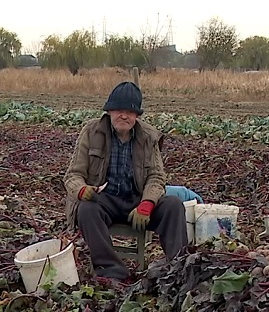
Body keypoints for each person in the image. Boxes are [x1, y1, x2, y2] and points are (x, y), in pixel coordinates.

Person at [64, 81, 188, 280]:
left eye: (130, 112)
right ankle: (113, 271)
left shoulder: (148, 137)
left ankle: (178, 266)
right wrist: (81, 190)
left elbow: (156, 177)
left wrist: (147, 204)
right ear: (109, 111)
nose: (124, 116)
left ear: (137, 116)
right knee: (86, 210)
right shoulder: (92, 132)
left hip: (136, 201)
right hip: (104, 200)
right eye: (118, 110)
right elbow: (72, 175)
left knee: (173, 205)